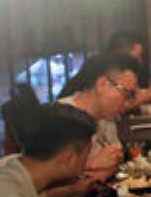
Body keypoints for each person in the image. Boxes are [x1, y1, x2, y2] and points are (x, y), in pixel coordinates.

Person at [57, 53, 142, 182]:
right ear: (102, 84)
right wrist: (91, 164)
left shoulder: (107, 118)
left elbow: (114, 162)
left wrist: (102, 174)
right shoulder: (61, 116)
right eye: (126, 93)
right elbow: (42, 174)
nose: (127, 103)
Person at [59, 30, 151, 104]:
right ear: (121, 54)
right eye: (137, 57)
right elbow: (118, 105)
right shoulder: (100, 68)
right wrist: (148, 95)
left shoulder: (113, 68)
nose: (140, 62)